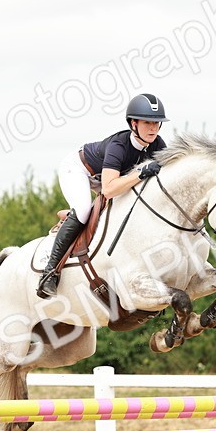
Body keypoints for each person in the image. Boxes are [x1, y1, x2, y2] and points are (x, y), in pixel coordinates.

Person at [36, 93, 169, 299]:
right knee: (82, 210)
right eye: (147, 122)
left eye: (157, 123)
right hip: (80, 170)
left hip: (108, 177)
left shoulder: (158, 144)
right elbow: (108, 189)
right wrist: (141, 173)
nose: (153, 128)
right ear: (133, 123)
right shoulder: (119, 145)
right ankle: (49, 272)